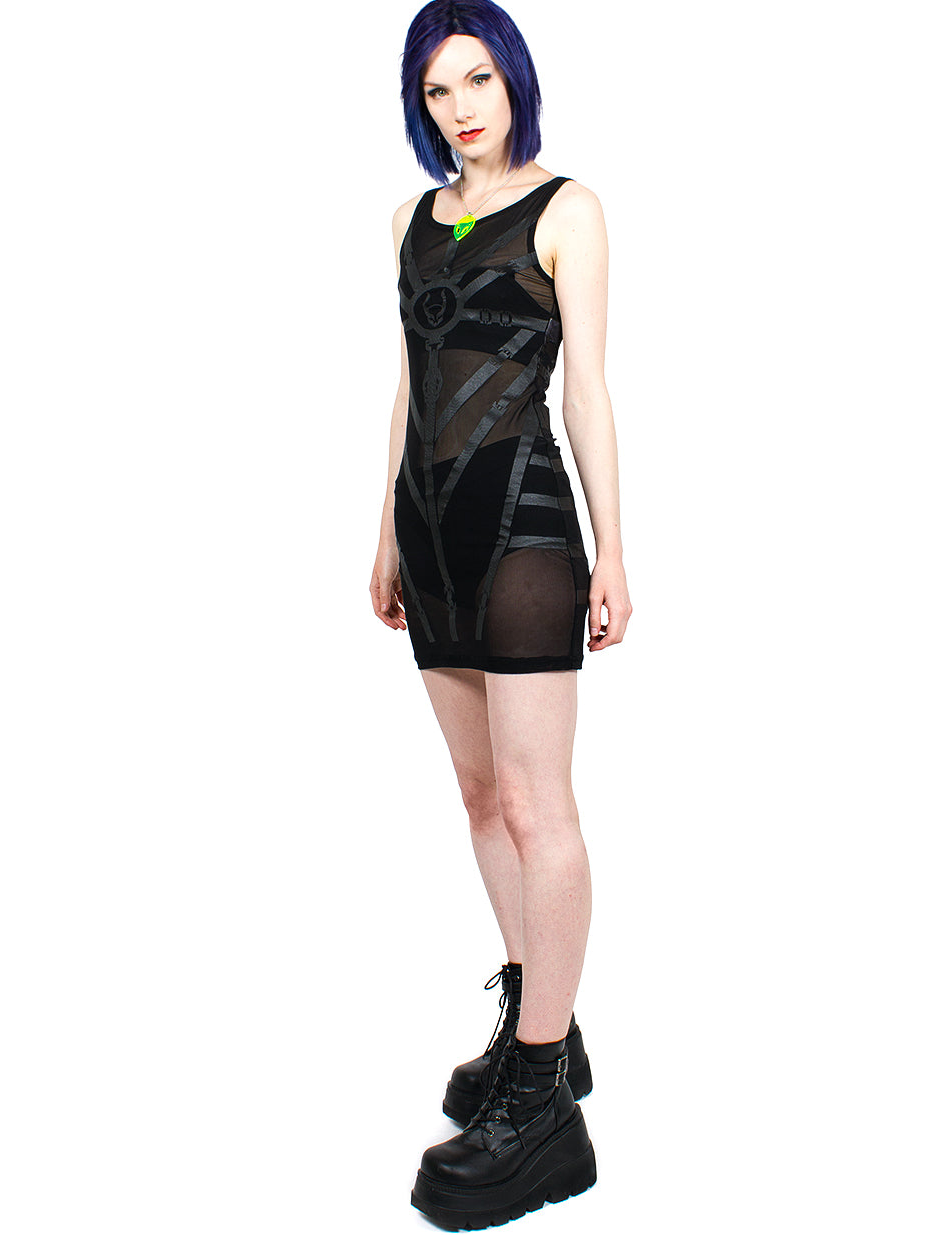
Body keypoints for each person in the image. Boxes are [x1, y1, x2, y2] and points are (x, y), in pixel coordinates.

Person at [369, 1, 632, 1226]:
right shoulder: (409, 221)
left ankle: (542, 1105)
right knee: (480, 799)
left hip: (524, 528)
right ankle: (543, 1025)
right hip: (430, 535)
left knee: (538, 803)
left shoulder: (567, 208)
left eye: (477, 79)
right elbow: (409, 389)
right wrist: (383, 534)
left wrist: (614, 549)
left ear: (513, 80)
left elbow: (587, 391)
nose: (460, 106)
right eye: (438, 90)